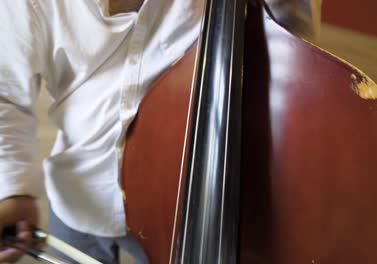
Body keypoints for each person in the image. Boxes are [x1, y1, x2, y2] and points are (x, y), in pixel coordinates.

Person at [0, 0, 321, 263]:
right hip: (77, 188)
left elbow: (290, 54)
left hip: (186, 200)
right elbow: (7, 95)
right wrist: (14, 189)